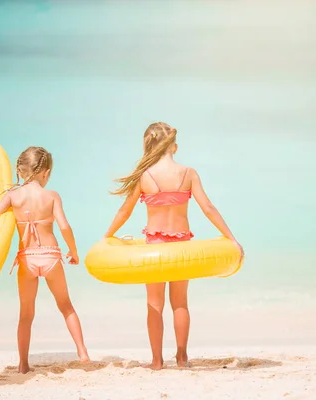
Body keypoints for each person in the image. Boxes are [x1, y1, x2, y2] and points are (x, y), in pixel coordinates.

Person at [104, 122, 243, 370]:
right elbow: (208, 208)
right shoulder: (188, 173)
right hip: (181, 248)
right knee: (180, 303)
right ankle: (181, 357)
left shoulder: (145, 176)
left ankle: (157, 361)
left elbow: (124, 211)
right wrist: (231, 237)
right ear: (174, 147)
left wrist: (107, 237)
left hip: (155, 248)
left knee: (154, 304)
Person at [0, 146, 90, 373]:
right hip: (51, 256)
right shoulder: (51, 196)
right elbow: (64, 226)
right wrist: (73, 251)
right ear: (46, 172)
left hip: (27, 259)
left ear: (21, 171)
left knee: (26, 314)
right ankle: (82, 352)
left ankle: (23, 364)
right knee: (66, 306)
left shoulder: (13, 196)